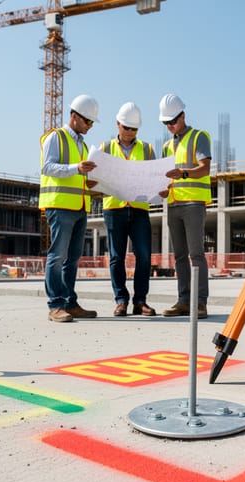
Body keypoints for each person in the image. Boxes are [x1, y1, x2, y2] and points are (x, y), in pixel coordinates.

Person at [41, 94, 100, 323]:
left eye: (93, 123)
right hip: (60, 206)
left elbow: (78, 174)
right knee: (57, 257)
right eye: (88, 122)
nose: (90, 126)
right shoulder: (56, 137)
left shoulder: (82, 145)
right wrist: (77, 168)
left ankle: (69, 302)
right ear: (75, 117)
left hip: (79, 206)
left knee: (72, 259)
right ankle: (55, 305)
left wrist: (91, 180)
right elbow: (47, 167)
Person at [157, 94, 212, 319]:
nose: (170, 126)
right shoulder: (166, 146)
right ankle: (183, 300)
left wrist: (184, 173)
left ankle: (200, 303)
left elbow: (205, 168)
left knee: (196, 254)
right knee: (179, 255)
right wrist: (161, 189)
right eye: (166, 123)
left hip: (193, 203)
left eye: (173, 121)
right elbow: (164, 177)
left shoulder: (199, 136)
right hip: (173, 204)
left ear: (183, 116)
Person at [101, 102, 158, 317]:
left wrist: (160, 188)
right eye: (126, 127)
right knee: (116, 257)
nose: (130, 132)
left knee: (144, 255)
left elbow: (155, 177)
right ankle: (121, 300)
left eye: (134, 128)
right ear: (117, 124)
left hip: (139, 209)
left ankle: (140, 301)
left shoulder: (147, 149)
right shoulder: (105, 148)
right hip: (114, 209)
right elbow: (96, 178)